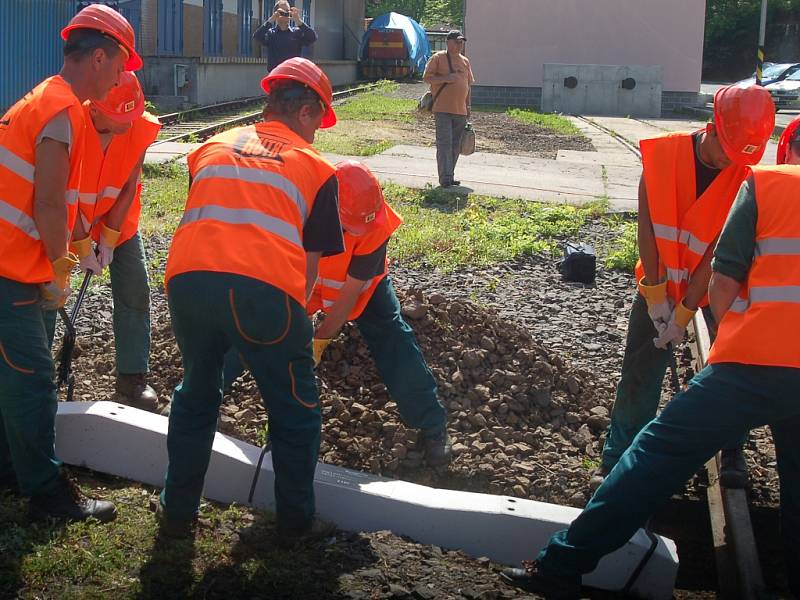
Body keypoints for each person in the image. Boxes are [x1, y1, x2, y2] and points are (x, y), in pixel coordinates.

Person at [500, 118, 800, 600]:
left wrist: (728, 337)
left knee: (657, 453)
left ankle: (561, 566)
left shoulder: (767, 184)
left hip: (755, 364)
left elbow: (722, 287)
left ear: (784, 149)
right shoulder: (681, 161)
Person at [157, 57, 343, 538]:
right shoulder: (316, 170)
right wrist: (294, 328)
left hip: (188, 282)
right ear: (306, 112)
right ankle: (295, 522)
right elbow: (309, 264)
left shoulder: (210, 147)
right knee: (295, 407)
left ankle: (177, 511)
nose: (318, 133)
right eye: (319, 122)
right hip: (263, 291)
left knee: (197, 393)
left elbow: (206, 214)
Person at [589, 85, 775, 492]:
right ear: (712, 126)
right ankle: (617, 458)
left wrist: (687, 310)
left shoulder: (744, 176)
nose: (730, 159)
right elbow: (649, 226)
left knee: (731, 370)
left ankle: (732, 450)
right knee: (640, 368)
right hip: (660, 279)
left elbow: (716, 254)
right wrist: (656, 294)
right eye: (727, 148)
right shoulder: (663, 155)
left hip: (718, 286)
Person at [0, 4, 141, 522]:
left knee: (14, 376)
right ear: (99, 56)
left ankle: (11, 471)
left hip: (12, 262)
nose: (125, 76)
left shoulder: (48, 98)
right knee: (33, 380)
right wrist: (61, 268)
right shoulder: (60, 109)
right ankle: (47, 496)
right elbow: (49, 202)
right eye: (123, 63)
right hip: (9, 268)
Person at [225, 160, 452, 465]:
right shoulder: (298, 208)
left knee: (393, 336)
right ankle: (200, 394)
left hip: (359, 290)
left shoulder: (375, 226)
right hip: (302, 276)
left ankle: (432, 426)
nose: (350, 233)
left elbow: (347, 299)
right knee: (252, 322)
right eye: (345, 227)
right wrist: (291, 324)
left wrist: (318, 343)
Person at [70, 71, 162, 411]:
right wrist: (81, 246)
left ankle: (132, 377)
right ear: (94, 109)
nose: (129, 123)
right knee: (47, 290)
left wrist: (109, 238)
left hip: (118, 221)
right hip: (68, 221)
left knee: (135, 290)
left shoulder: (138, 125)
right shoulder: (70, 125)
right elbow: (60, 194)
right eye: (120, 116)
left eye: (132, 114)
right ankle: (38, 373)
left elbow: (129, 185)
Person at [422, 30, 474, 188]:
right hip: (442, 109)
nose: (460, 44)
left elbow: (468, 86)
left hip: (460, 111)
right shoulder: (438, 58)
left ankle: (450, 176)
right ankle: (444, 179)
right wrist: (446, 78)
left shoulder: (465, 61)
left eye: (462, 42)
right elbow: (426, 78)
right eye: (457, 41)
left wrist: (468, 105)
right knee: (444, 143)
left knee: (455, 145)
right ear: (448, 42)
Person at [253, 1, 317, 73]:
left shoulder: (297, 32)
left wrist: (298, 21)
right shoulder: (271, 33)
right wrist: (271, 19)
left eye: (287, 11)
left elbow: (313, 37)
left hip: (292, 76)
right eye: (282, 12)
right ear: (276, 13)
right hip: (275, 76)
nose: (285, 14)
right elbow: (257, 36)